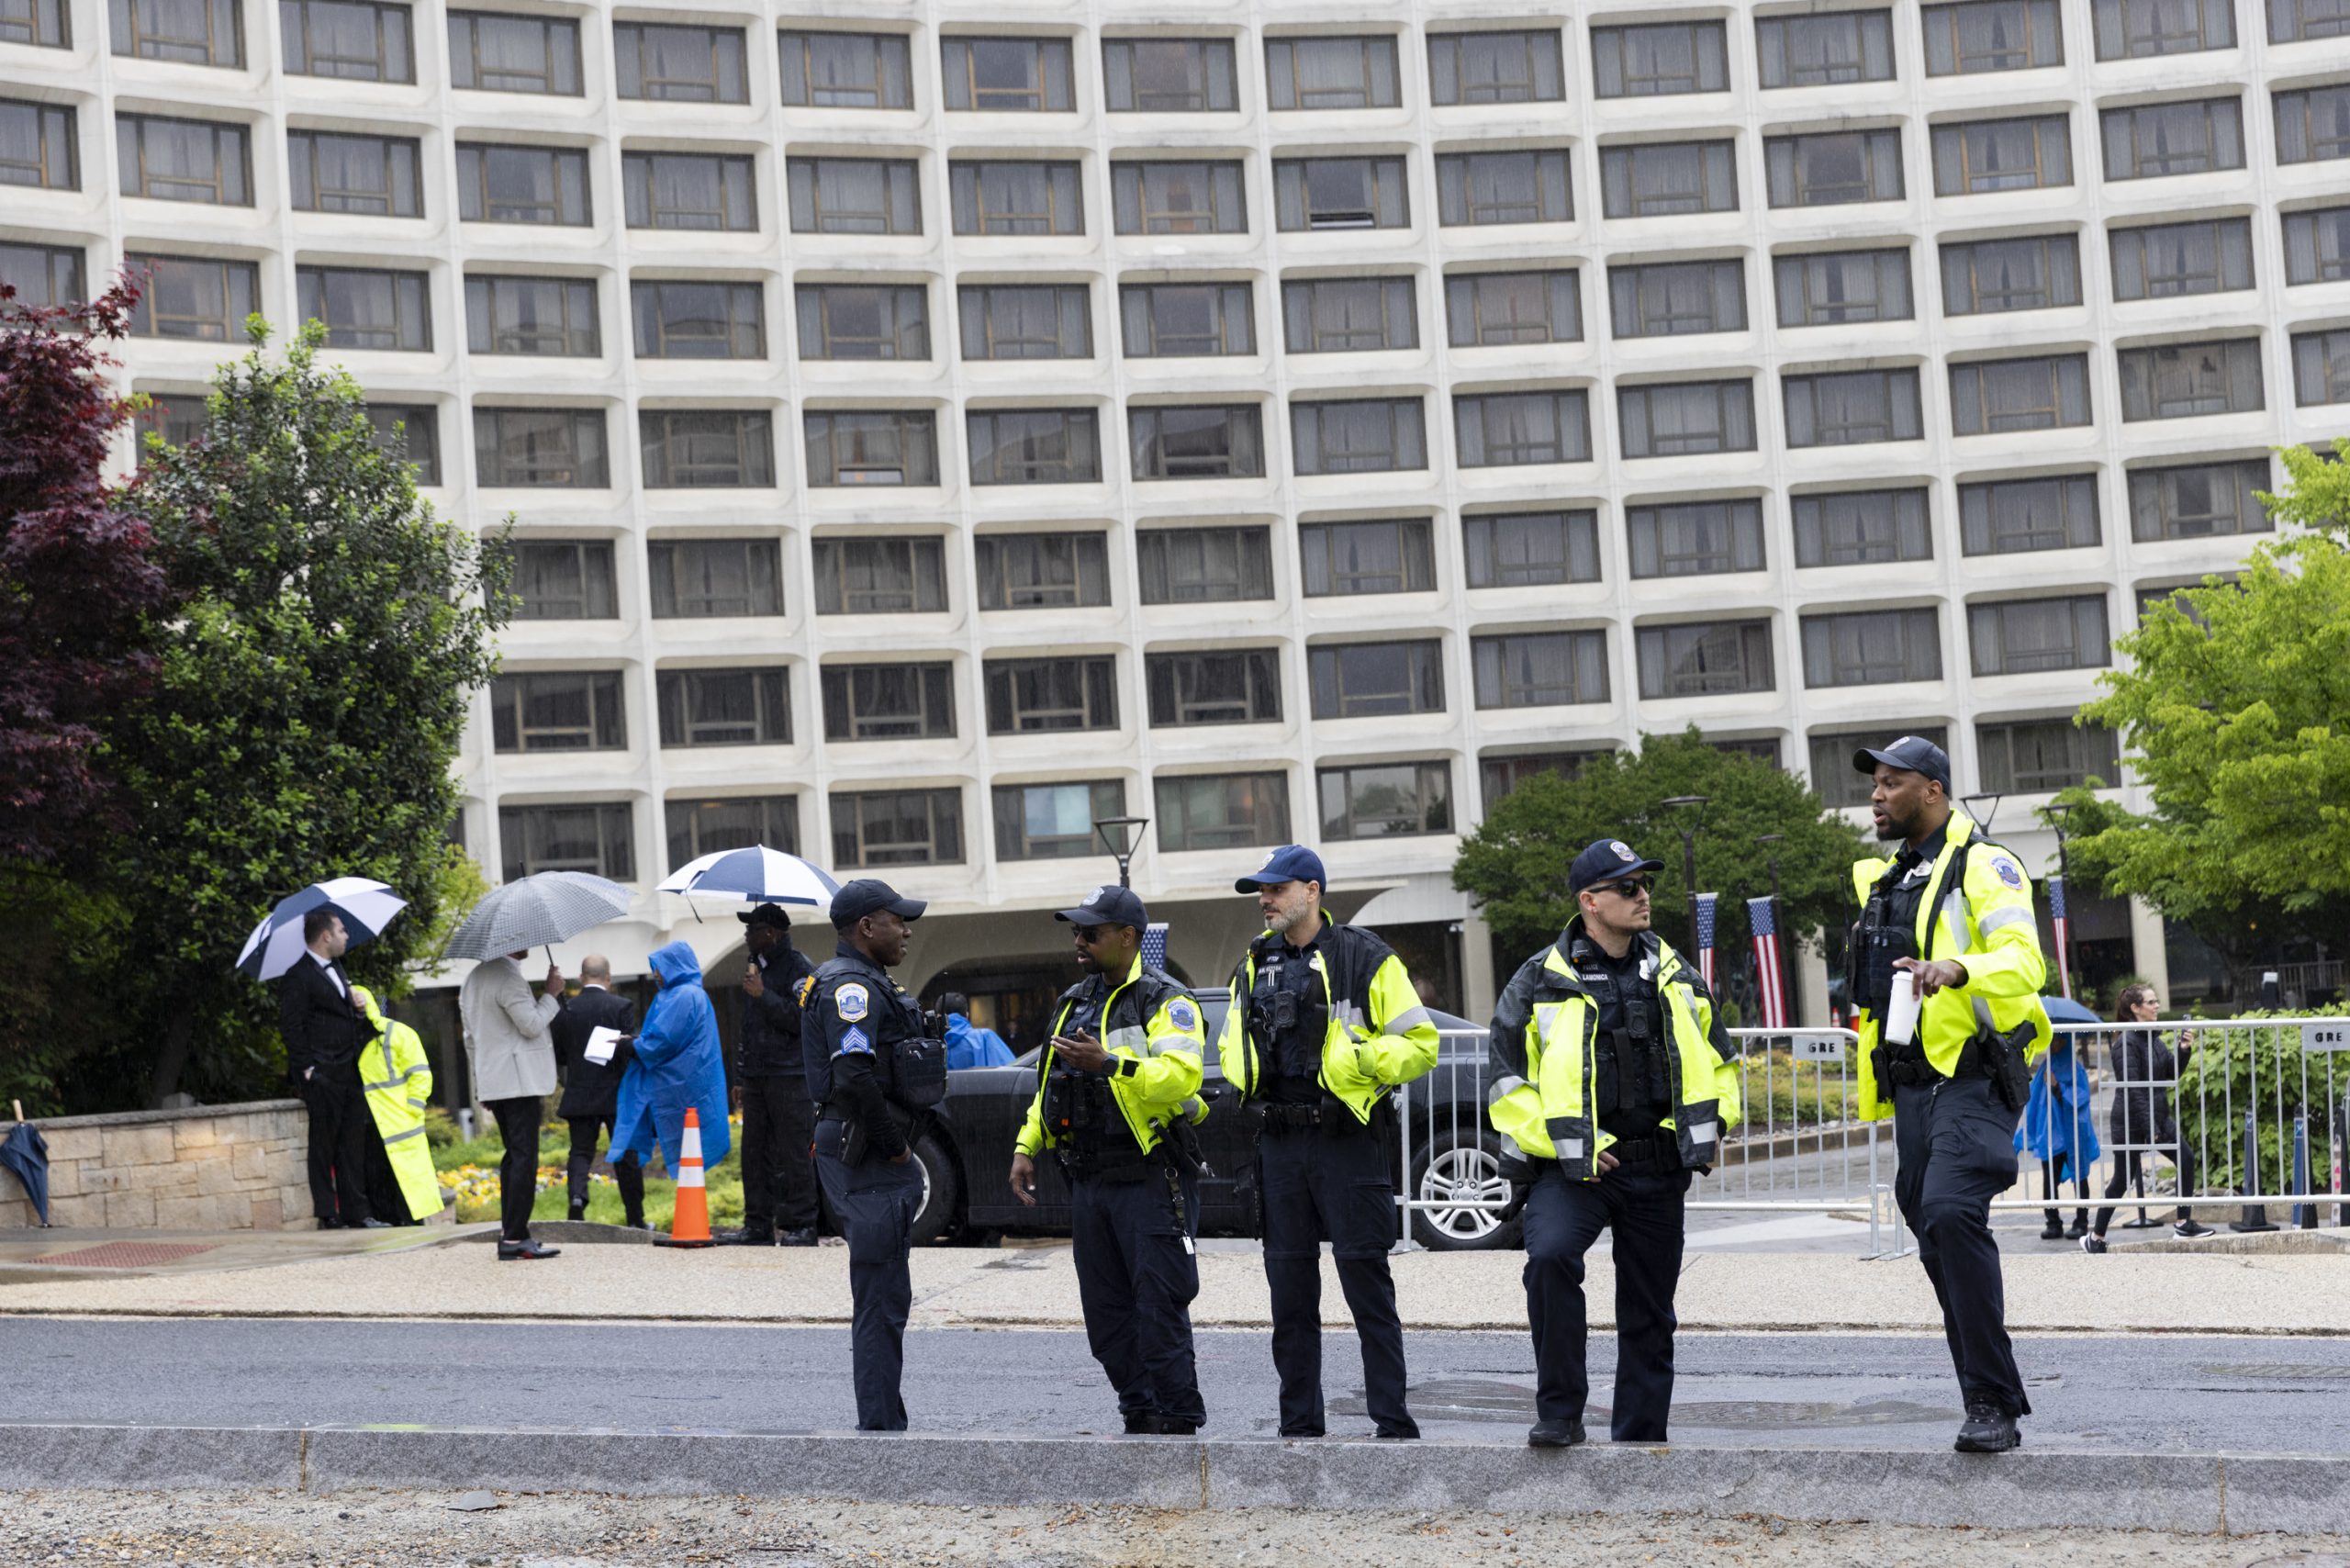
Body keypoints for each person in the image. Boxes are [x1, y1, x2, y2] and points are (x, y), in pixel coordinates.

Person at [1488, 838, 1742, 1448]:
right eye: (1628, 887)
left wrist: (1712, 1126)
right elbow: (1506, 1083)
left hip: (1654, 1163)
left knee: (1649, 1309)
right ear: (1590, 901)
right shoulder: (1539, 980)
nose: (1643, 895)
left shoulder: (1678, 975)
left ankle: (1639, 1437)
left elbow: (1724, 1064)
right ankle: (1559, 1414)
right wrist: (1569, 1142)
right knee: (1548, 1260)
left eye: (1644, 884)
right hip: (1572, 1168)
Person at [1848, 735, 2051, 1454]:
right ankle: (1987, 1390)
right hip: (1913, 1088)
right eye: (1874, 782)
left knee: (1949, 1210)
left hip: (1976, 1076)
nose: (1877, 794)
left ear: (1932, 789)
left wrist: (1959, 968)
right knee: (1930, 1226)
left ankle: (1993, 1402)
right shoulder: (1890, 875)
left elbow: (2026, 962)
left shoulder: (1985, 865)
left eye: (1891, 782)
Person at [1215, 845, 1439, 1441]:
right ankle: (1299, 1430)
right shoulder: (1253, 962)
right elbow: (1233, 1044)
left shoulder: (1364, 956)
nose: (1264, 900)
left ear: (1311, 891)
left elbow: (1422, 1044)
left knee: (1367, 1287)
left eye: (1276, 889)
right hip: (1279, 1144)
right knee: (1289, 1297)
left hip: (1348, 1139)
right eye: (1260, 891)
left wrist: (1361, 1057)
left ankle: (1393, 1426)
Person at [1008, 885, 1209, 1435]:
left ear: (1128, 938)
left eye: (1090, 933)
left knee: (1159, 1305)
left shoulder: (1166, 999)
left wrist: (1111, 1064)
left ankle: (1178, 1417)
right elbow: (1050, 1084)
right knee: (1105, 1316)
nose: (1079, 941)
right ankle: (1139, 1408)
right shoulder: (1075, 999)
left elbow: (1182, 1076)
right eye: (1076, 931)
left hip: (1150, 1177)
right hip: (1090, 1181)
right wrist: (1029, 1146)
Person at [805, 879, 934, 1432]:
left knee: (886, 1296)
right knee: (880, 1299)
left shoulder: (861, 980)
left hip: (866, 1156)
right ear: (866, 927)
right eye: (896, 920)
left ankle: (884, 1420)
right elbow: (854, 1079)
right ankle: (880, 1431)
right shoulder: (849, 988)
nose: (905, 929)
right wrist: (898, 1148)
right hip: (869, 1158)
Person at [2084, 984, 2213, 1251]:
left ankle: (2183, 1222)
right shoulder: (2125, 1042)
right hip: (2131, 1120)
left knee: (2186, 1157)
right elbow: (2134, 1091)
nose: (2157, 1006)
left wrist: (2183, 1048)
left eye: (2156, 1001)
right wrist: (2151, 1126)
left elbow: (2170, 1072)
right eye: (2151, 1002)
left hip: (2155, 1114)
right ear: (2135, 1008)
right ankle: (2095, 1238)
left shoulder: (2152, 1037)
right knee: (2122, 1180)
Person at [278, 909, 384, 1230]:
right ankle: (328, 1213)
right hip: (322, 1074)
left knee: (352, 1143)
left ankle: (358, 1212)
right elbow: (291, 1026)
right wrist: (308, 1070)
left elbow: (337, 1015)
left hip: (349, 1068)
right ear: (325, 935)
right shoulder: (298, 976)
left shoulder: (337, 968)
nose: (346, 936)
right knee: (323, 1146)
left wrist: (357, 1006)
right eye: (341, 930)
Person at [611, 941, 733, 1218]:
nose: (656, 974)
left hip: (682, 1086)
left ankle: (690, 1217)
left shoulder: (682, 996)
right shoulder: (687, 993)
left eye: (660, 968)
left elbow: (663, 1040)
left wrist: (633, 1046)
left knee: (689, 1146)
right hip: (691, 1081)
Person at [461, 947, 565, 1260]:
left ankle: (513, 1232)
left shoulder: (473, 978)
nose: (529, 943)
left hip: (497, 1080)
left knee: (513, 1157)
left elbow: (470, 1038)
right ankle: (515, 1236)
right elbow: (531, 1025)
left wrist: (483, 1086)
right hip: (520, 1082)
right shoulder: (507, 977)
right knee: (524, 1157)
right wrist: (551, 994)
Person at [735, 904, 819, 1246]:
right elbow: (749, 1027)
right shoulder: (757, 968)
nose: (746, 936)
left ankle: (803, 1225)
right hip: (758, 1077)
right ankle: (756, 1225)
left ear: (770, 933)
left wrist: (762, 995)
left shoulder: (800, 969)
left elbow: (803, 1020)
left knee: (794, 1153)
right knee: (753, 1154)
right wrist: (742, 1077)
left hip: (790, 1076)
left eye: (752, 930)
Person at [549, 955, 644, 1230]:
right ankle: (635, 1216)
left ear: (581, 977)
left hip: (579, 1092)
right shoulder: (621, 1005)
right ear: (608, 977)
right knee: (625, 1152)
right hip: (616, 1093)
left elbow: (559, 1054)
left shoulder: (566, 1009)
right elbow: (627, 1050)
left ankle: (577, 1200)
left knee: (580, 1151)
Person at [350, 985, 441, 1225]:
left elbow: (420, 1074)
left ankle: (408, 1228)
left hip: (398, 1123)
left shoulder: (398, 1034)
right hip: (368, 1124)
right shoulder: (347, 1039)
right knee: (377, 1182)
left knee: (405, 1185)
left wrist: (413, 1108)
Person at [2017, 1036, 2098, 1239]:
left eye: (2059, 1041)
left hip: (2071, 1132)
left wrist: (2056, 1087)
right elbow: (2034, 1099)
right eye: (2051, 1041)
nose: (2054, 1045)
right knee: (2049, 1179)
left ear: (2066, 1043)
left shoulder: (2075, 1069)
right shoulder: (2046, 1067)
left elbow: (2081, 1097)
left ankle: (2081, 1222)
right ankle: (2053, 1222)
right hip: (2050, 1133)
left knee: (2080, 1177)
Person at [941, 991, 1014, 1070]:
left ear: (937, 1017)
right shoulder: (985, 1037)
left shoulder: (931, 1046)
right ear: (967, 1015)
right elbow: (1011, 1071)